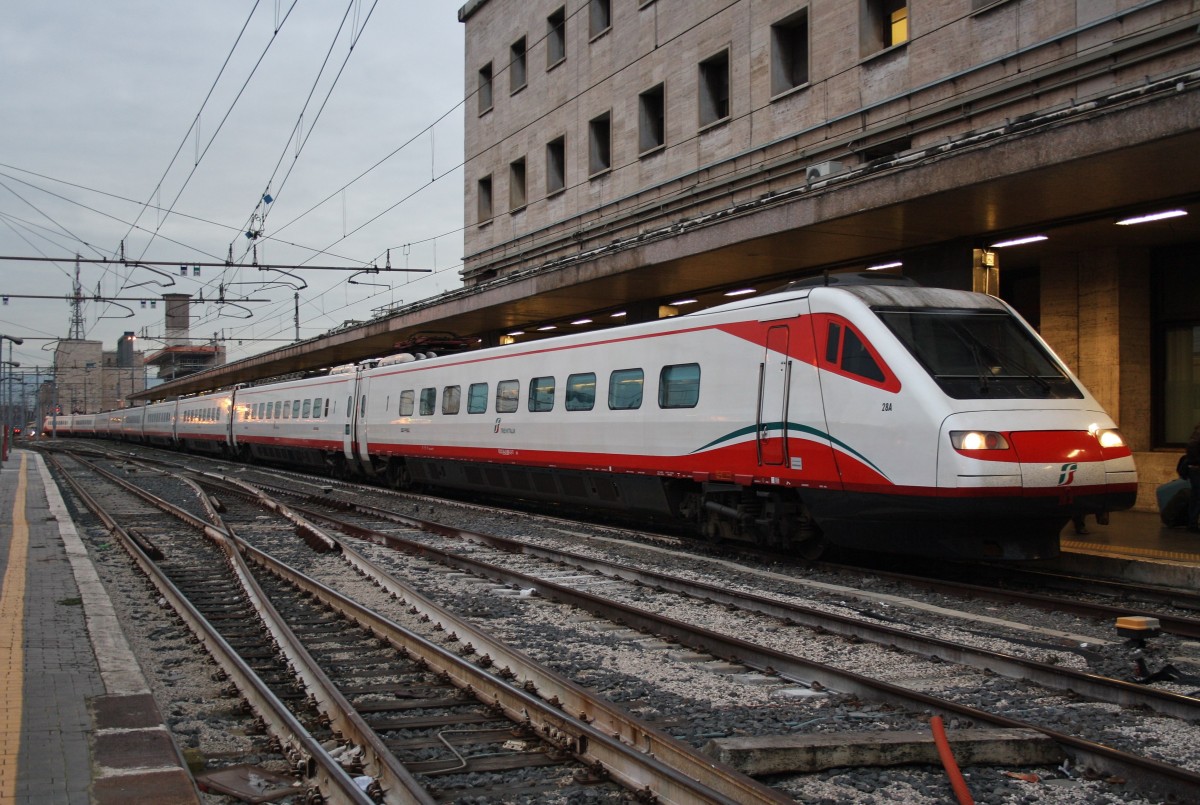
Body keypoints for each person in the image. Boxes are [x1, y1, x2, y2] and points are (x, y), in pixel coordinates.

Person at [1187, 422, 1200, 533]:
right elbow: (1192, 448)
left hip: (1195, 468)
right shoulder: (1198, 434)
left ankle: (1192, 522)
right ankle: (1192, 523)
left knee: (1196, 496)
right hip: (1196, 469)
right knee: (1197, 496)